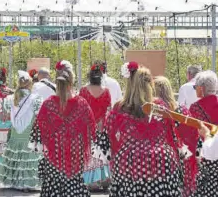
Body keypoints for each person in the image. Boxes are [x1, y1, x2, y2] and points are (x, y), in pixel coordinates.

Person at [96, 62, 186, 197]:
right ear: (150, 85)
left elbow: (104, 144)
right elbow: (174, 137)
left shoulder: (119, 108)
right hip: (161, 163)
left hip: (129, 165)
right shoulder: (159, 107)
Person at [30, 60, 96, 197]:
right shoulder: (82, 104)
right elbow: (91, 128)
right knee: (74, 183)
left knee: (53, 184)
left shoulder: (48, 104)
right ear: (71, 82)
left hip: (54, 154)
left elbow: (38, 128)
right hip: (75, 155)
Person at [0, 70, 43, 191]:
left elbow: (5, 115)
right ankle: (26, 183)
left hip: (15, 132)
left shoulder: (10, 98)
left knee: (15, 155)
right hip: (29, 132)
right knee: (27, 155)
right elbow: (40, 115)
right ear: (30, 84)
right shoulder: (36, 98)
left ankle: (14, 181)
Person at [154, 76, 198, 197]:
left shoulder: (154, 112)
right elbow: (191, 133)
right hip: (182, 154)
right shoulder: (181, 110)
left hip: (160, 156)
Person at [80, 64, 111, 190]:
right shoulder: (106, 91)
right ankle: (104, 179)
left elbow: (81, 109)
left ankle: (91, 181)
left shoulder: (83, 90)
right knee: (102, 152)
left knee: (89, 153)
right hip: (101, 126)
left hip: (87, 127)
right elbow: (108, 109)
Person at [189, 71, 218, 197]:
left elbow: (192, 135)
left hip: (204, 152)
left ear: (201, 89)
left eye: (195, 87)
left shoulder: (195, 107)